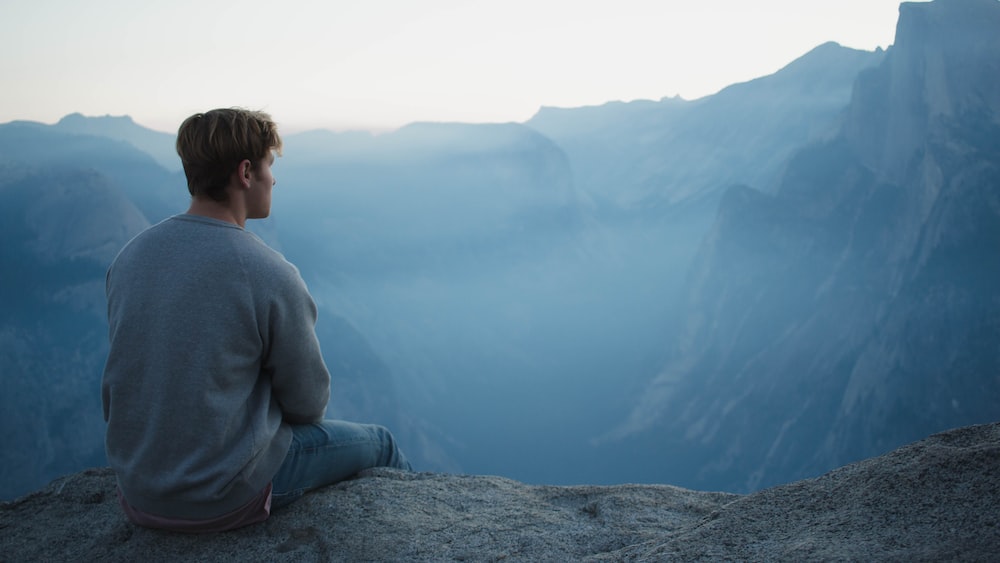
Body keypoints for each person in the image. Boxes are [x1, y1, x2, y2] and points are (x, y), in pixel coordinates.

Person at [102, 108, 411, 533]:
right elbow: (309, 403)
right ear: (246, 172)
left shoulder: (129, 259)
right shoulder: (267, 272)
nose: (274, 179)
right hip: (224, 497)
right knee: (382, 443)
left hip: (138, 494)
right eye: (270, 165)